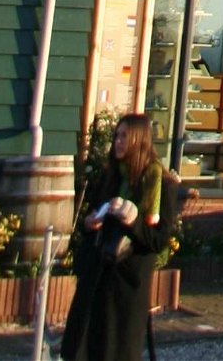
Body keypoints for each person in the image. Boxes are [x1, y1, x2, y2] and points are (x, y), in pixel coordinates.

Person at [63, 114, 181, 361]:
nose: (118, 141)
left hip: (128, 283)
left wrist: (133, 223)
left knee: (118, 349)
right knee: (84, 345)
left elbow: (159, 240)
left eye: (124, 136)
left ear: (139, 140)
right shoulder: (111, 177)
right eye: (117, 135)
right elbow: (88, 219)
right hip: (97, 275)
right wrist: (89, 223)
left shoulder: (160, 184)